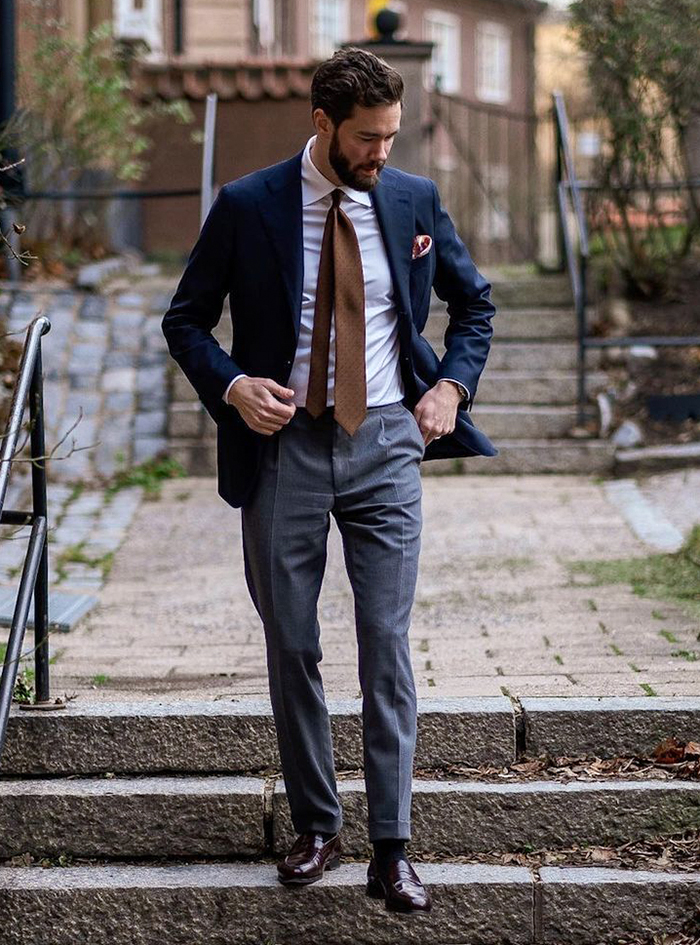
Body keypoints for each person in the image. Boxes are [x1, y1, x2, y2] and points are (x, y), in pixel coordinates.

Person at [161, 46, 497, 914]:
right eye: (366, 139)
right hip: (286, 448)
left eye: (391, 135)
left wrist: (451, 387)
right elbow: (186, 319)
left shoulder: (415, 199)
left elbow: (475, 302)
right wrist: (233, 385)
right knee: (295, 642)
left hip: (387, 441)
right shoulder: (247, 206)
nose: (382, 152)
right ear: (322, 125)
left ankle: (393, 846)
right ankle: (318, 823)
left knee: (385, 642)